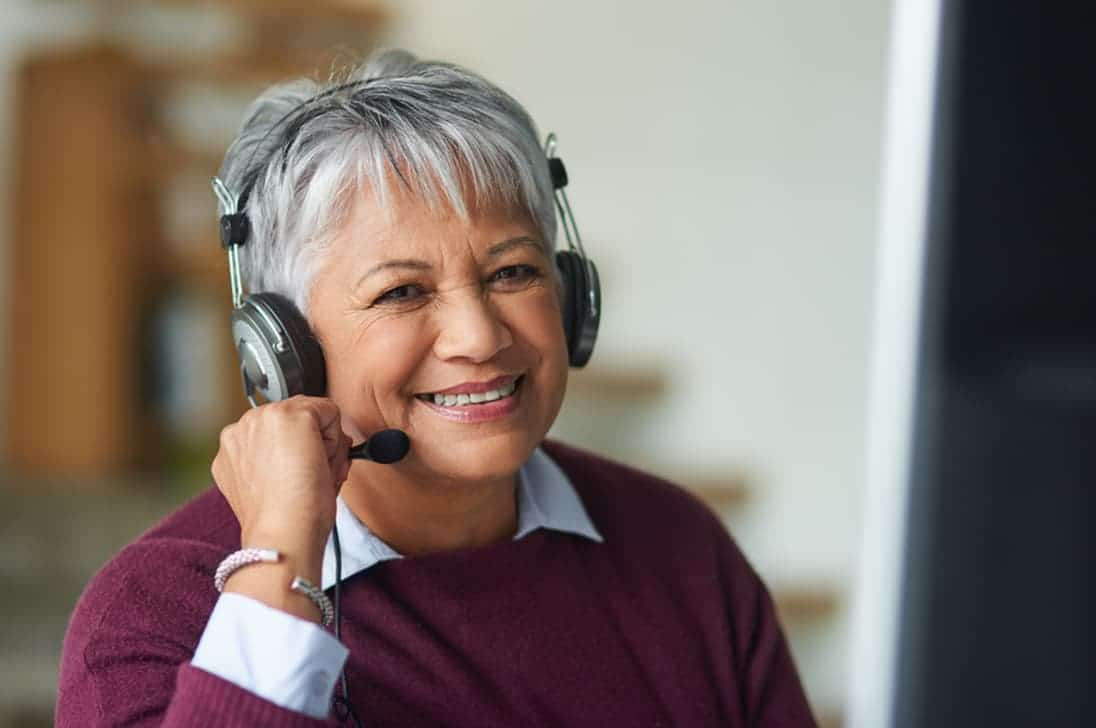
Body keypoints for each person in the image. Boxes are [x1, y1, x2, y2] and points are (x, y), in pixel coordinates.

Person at [56, 49, 817, 727]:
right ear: (281, 350)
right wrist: (279, 569)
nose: (480, 337)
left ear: (569, 292)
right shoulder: (156, 611)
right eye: (401, 293)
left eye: (512, 272)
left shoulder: (678, 547)